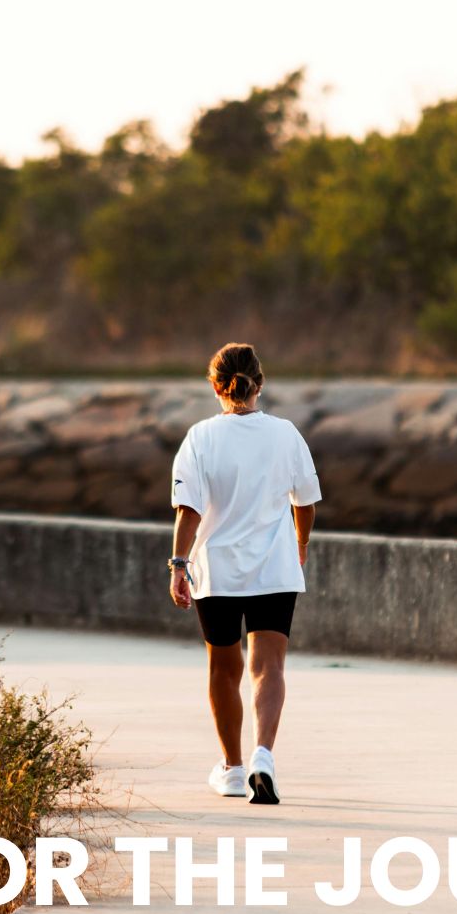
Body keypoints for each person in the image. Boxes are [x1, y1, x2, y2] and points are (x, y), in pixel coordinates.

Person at [167, 343, 320, 805]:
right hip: (275, 567)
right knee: (268, 667)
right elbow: (305, 502)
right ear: (260, 383)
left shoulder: (200, 437)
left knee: (223, 668)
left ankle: (232, 770)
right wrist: (300, 544)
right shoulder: (285, 433)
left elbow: (188, 511)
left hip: (216, 568)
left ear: (215, 386)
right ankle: (263, 757)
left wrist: (177, 565)